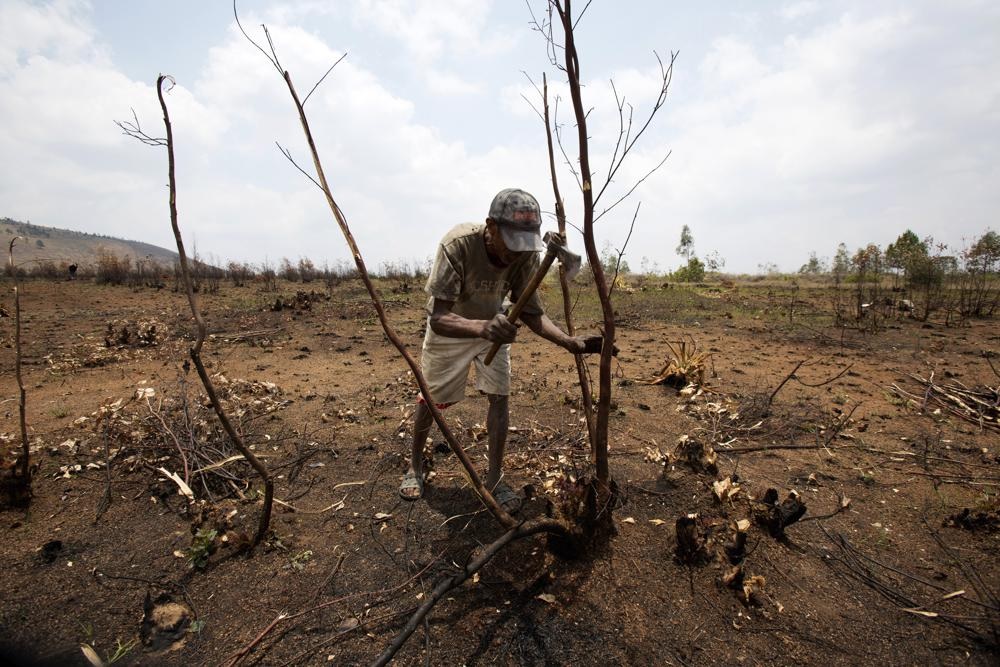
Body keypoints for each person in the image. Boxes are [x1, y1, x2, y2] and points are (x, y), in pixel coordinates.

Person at [399, 188, 603, 512]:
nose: (515, 253)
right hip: (453, 326)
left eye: (523, 244)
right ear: (490, 227)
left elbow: (531, 313)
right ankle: (415, 465)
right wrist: (481, 327)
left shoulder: (523, 254)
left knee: (499, 396)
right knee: (433, 397)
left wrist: (569, 343)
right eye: (510, 241)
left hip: (496, 325)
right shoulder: (458, 244)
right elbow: (438, 318)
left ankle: (494, 478)